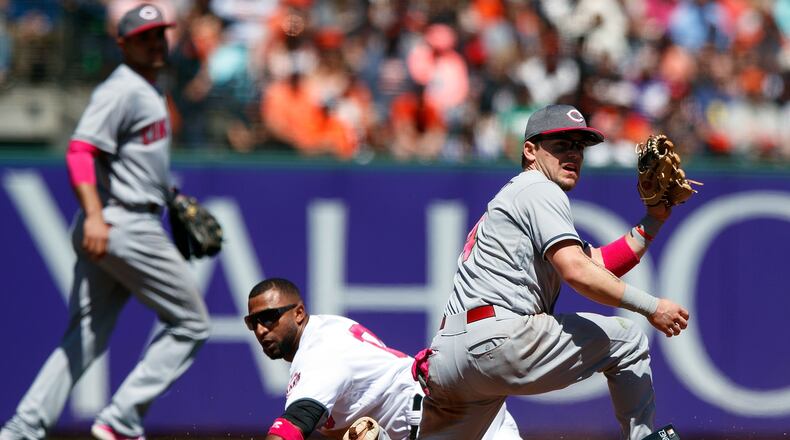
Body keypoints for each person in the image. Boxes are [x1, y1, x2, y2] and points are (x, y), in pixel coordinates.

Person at [412, 104, 690, 440]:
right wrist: (652, 306)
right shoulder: (538, 188)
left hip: (448, 358)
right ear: (530, 150)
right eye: (560, 145)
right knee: (628, 339)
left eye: (578, 146)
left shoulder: (517, 196)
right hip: (498, 339)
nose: (572, 153)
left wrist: (655, 219)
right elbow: (577, 272)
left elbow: (595, 264)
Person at [0, 5, 210, 440]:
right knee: (192, 322)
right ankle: (121, 419)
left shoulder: (150, 88)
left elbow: (130, 160)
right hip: (123, 223)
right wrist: (95, 216)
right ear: (123, 44)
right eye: (144, 37)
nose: (155, 43)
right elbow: (79, 151)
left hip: (122, 218)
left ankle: (22, 430)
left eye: (160, 35)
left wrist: (168, 195)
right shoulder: (123, 89)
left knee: (86, 335)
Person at [245, 278, 521, 440]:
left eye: (269, 317)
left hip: (447, 420)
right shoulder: (324, 330)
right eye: (253, 322)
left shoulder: (320, 355)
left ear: (298, 313)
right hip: (460, 412)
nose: (260, 329)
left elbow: (292, 428)